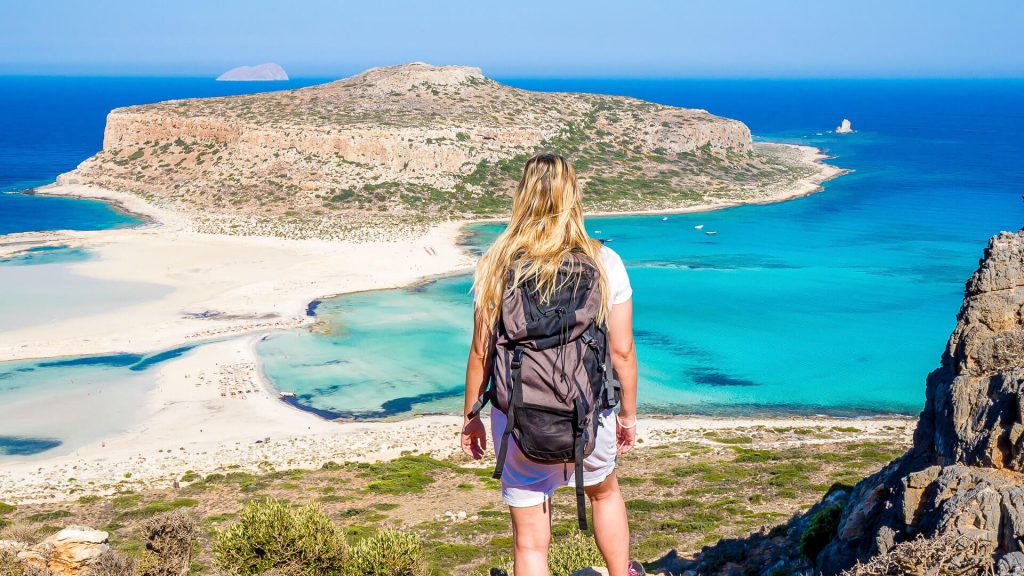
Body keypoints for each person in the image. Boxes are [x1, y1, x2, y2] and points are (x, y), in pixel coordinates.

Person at [461, 154, 642, 576]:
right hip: (588, 418)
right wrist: (628, 417)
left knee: (530, 543)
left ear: (522, 197)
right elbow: (622, 352)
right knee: (604, 493)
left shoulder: (495, 265)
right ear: (573, 196)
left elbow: (480, 353)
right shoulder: (604, 262)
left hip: (520, 421)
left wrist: (471, 417)